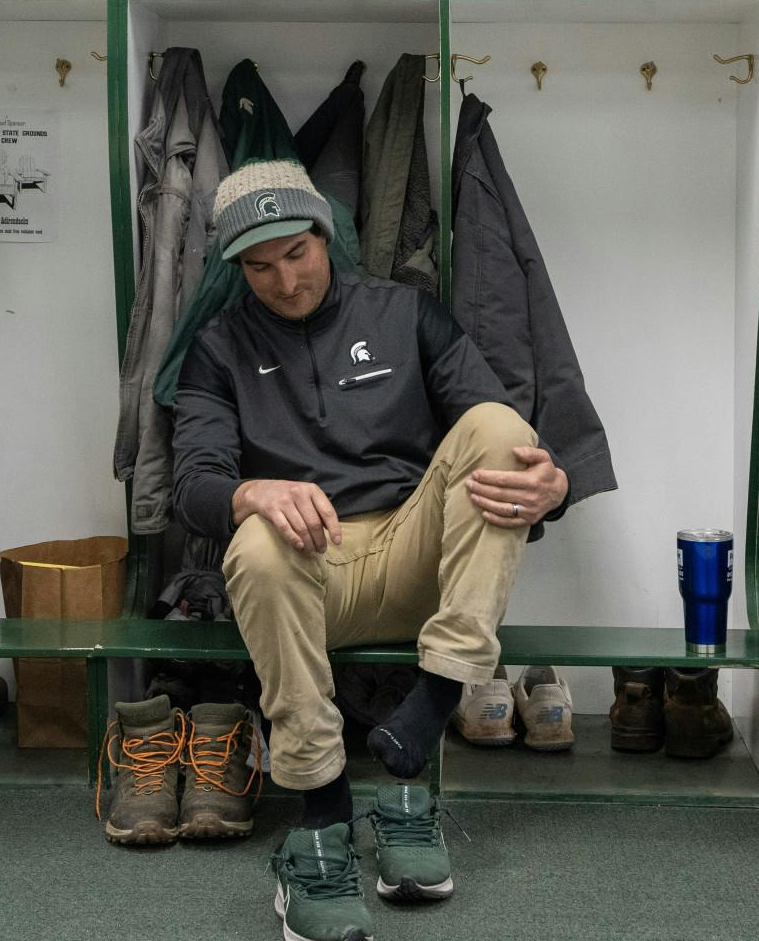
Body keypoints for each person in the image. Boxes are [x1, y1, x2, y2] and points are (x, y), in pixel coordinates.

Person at [173, 159, 570, 941]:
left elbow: (498, 444)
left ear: (326, 234)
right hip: (305, 577)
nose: (285, 280)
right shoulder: (216, 348)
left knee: (502, 428)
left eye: (297, 254)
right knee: (252, 539)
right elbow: (193, 481)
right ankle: (321, 815)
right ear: (237, 269)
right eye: (259, 267)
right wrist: (253, 491)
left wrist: (549, 485)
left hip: (413, 554)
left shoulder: (406, 313)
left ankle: (440, 695)